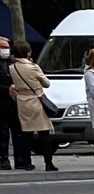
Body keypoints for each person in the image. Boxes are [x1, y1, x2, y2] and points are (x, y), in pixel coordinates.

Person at [8, 41, 59, 172]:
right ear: (28, 52)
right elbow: (46, 83)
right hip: (36, 100)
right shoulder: (33, 67)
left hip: (22, 102)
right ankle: (48, 163)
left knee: (26, 134)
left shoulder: (12, 67)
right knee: (44, 133)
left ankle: (27, 162)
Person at [0, 34, 31, 172]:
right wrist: (8, 89)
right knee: (3, 133)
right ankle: (4, 159)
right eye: (3, 47)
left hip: (16, 103)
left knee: (19, 133)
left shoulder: (14, 63)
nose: (6, 50)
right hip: (2, 103)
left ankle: (20, 159)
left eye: (7, 47)